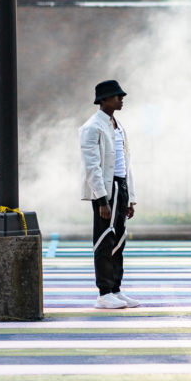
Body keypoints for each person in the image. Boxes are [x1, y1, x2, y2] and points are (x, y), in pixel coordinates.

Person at [79, 80, 139, 309]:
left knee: (119, 241)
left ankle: (115, 288)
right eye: (116, 96)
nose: (121, 99)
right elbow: (91, 166)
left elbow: (126, 164)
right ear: (103, 100)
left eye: (121, 96)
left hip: (120, 186)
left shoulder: (118, 126)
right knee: (105, 240)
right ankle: (104, 293)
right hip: (106, 190)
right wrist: (102, 199)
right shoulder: (92, 127)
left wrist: (130, 197)